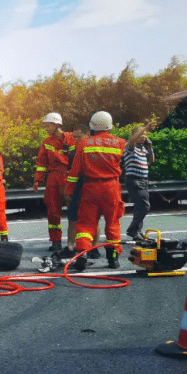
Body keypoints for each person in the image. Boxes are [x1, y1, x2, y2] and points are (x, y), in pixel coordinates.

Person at [65, 111, 126, 270]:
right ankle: (113, 259)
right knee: (113, 224)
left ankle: (82, 254)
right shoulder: (119, 143)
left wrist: (69, 191)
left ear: (92, 126)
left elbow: (75, 171)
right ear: (109, 126)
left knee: (85, 224)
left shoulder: (84, 144)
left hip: (90, 187)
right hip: (111, 187)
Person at [34, 112, 75, 252]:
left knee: (75, 210)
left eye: (48, 125)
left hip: (69, 176)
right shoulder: (46, 142)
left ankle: (78, 242)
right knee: (53, 210)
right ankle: (56, 241)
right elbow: (41, 162)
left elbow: (78, 158)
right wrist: (38, 179)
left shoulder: (71, 138)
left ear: (56, 125)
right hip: (53, 177)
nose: (46, 128)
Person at [65, 124, 102, 258]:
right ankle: (70, 246)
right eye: (74, 137)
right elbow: (71, 173)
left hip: (90, 189)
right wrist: (68, 191)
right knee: (72, 218)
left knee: (94, 219)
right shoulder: (73, 153)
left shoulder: (94, 151)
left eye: (79, 137)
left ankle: (94, 248)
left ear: (87, 136)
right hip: (76, 190)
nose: (76, 139)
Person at [123, 120, 157, 241]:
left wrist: (150, 147)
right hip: (134, 180)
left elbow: (151, 161)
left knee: (139, 207)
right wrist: (146, 127)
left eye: (145, 135)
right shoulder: (129, 146)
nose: (144, 136)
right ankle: (132, 230)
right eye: (141, 134)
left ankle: (138, 231)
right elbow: (133, 140)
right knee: (144, 206)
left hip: (144, 180)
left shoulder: (143, 148)